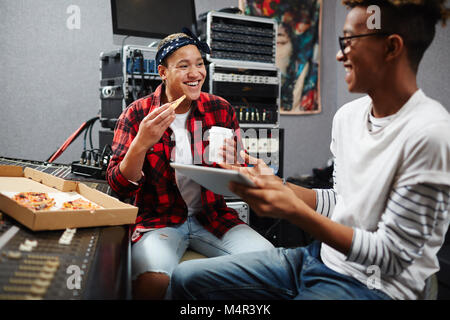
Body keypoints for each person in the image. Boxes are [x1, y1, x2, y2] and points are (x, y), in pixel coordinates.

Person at [171, 0, 450, 300]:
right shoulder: (348, 117)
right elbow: (341, 201)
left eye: (349, 41)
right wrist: (273, 185)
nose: (339, 54)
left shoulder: (430, 133)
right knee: (186, 277)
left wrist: (293, 211)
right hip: (317, 259)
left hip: (374, 284)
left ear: (391, 48)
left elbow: (390, 256)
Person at [106, 29, 274, 300]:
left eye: (199, 64)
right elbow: (119, 185)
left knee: (269, 263)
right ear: (163, 71)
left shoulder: (221, 109)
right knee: (154, 281)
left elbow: (237, 174)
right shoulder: (137, 113)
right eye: (183, 66)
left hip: (213, 216)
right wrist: (141, 143)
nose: (195, 73)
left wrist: (237, 164)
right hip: (159, 222)